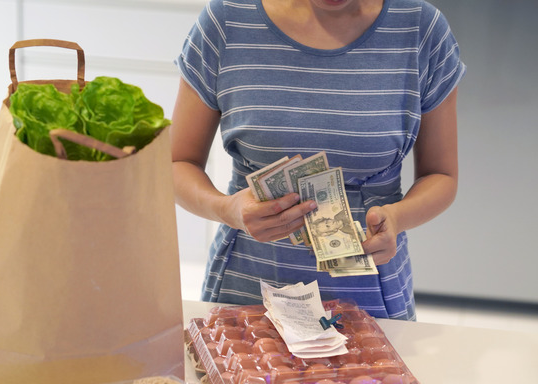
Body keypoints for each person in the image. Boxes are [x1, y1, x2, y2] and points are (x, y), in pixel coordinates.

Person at [170, 0, 465, 320]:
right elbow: (176, 164)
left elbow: (441, 174)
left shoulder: (422, 29)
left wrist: (397, 218)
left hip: (372, 303)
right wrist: (227, 209)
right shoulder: (225, 21)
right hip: (245, 290)